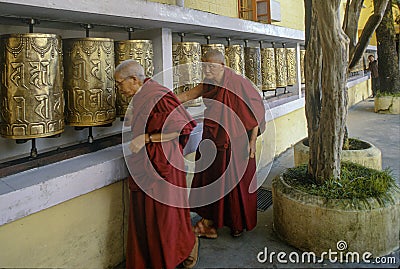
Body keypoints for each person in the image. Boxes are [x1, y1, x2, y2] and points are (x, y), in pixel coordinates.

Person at [115, 59, 198, 269]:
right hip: (146, 164)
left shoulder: (158, 95)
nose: (118, 89)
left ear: (134, 79)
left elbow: (184, 127)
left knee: (166, 217)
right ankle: (153, 259)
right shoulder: (141, 96)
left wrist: (146, 138)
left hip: (164, 165)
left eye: (119, 83)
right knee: (147, 218)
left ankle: (183, 249)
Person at [177, 50, 266, 238]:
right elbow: (187, 95)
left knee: (235, 184)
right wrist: (162, 101)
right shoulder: (208, 83)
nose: (207, 70)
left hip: (237, 141)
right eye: (204, 65)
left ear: (222, 66)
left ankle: (236, 224)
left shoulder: (237, 83)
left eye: (211, 66)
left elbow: (256, 110)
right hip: (213, 137)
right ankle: (209, 222)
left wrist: (252, 142)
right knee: (211, 179)